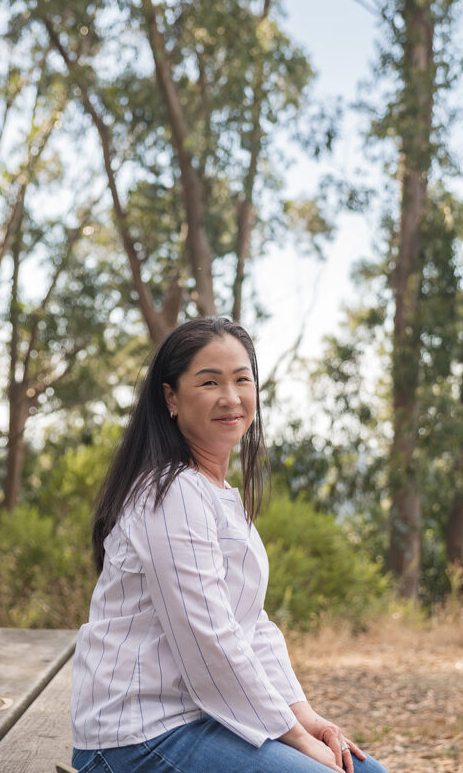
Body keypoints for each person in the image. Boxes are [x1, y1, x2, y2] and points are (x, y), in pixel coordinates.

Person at [70, 316, 391, 773]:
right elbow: (210, 642)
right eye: (209, 381)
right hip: (136, 737)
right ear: (171, 398)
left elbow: (250, 626)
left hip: (202, 719)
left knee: (368, 771)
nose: (231, 397)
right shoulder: (170, 493)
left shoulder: (216, 495)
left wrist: (303, 715)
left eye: (242, 379)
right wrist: (295, 738)